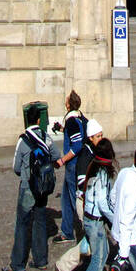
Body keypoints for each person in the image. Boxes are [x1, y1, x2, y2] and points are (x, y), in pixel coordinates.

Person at [2, 103, 60, 271]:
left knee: (22, 224)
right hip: (42, 187)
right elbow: (56, 156)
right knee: (40, 221)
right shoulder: (45, 136)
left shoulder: (23, 139)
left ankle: (18, 266)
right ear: (39, 119)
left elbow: (16, 167)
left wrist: (27, 174)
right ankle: (41, 260)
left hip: (28, 187)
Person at [55, 117, 103, 271]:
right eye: (98, 136)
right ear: (90, 137)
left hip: (94, 203)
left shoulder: (93, 152)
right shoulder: (85, 155)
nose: (101, 139)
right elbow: (83, 183)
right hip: (85, 203)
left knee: (94, 241)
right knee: (94, 243)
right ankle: (64, 268)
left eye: (101, 135)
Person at [79, 140, 117, 271]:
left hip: (92, 219)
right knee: (98, 258)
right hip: (94, 221)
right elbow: (102, 202)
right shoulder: (102, 173)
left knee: (103, 252)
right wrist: (114, 219)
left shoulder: (93, 167)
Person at [55, 91, 86, 242]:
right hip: (72, 165)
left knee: (75, 200)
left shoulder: (72, 120)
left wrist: (62, 160)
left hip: (72, 165)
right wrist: (61, 129)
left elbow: (77, 145)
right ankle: (67, 232)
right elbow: (74, 134)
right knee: (66, 199)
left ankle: (86, 233)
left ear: (69, 104)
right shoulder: (77, 117)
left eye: (66, 100)